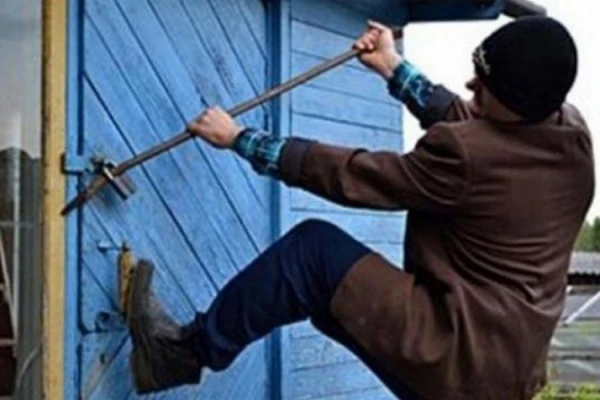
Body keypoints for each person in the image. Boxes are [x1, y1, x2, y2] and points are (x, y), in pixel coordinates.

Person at [125, 16, 593, 400]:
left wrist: (241, 139)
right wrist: (393, 67)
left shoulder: (469, 156)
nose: (472, 85)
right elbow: (476, 128)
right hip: (509, 370)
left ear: (519, 107)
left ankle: (182, 355)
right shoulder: (569, 135)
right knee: (328, 296)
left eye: (486, 88)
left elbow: (355, 175)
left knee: (311, 255)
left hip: (458, 351)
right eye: (477, 72)